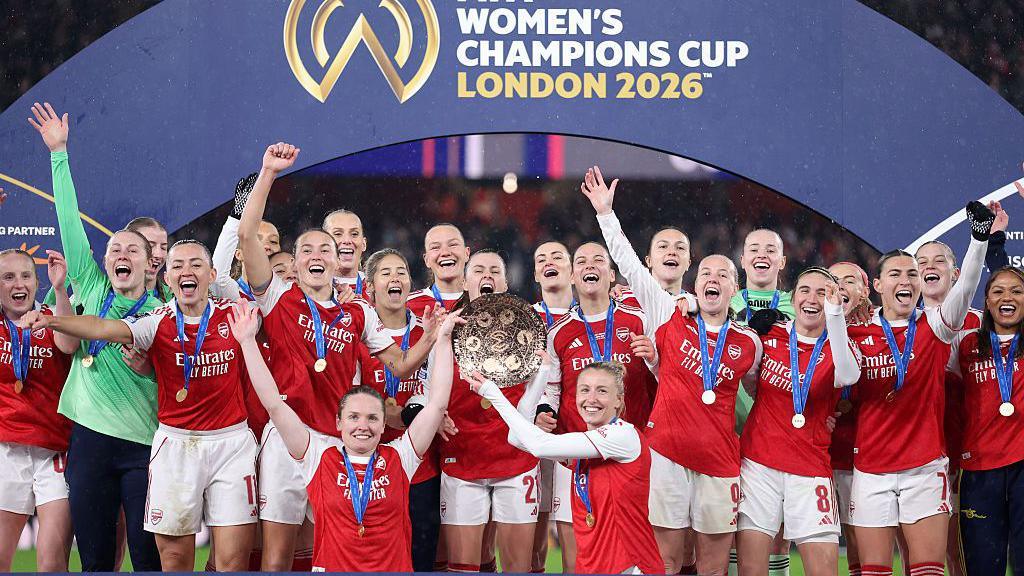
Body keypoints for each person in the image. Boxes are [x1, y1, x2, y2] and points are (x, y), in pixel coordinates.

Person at [237, 142, 441, 570]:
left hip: (336, 443)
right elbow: (245, 234)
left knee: (326, 551)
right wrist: (268, 172)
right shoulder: (277, 297)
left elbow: (401, 366)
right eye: (307, 250)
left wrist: (431, 338)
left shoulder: (358, 310)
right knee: (276, 556)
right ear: (294, 261)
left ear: (338, 261)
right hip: (289, 437)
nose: (316, 255)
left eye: (325, 250)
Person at [20, 240, 260, 571]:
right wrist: (53, 322)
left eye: (195, 265)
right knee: (173, 560)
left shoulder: (237, 315)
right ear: (167, 277)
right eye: (177, 266)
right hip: (175, 445)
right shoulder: (156, 320)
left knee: (232, 562)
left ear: (212, 274)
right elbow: (103, 327)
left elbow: (269, 291)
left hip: (230, 443)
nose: (186, 271)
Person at [582, 166, 760, 575]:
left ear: (735, 288)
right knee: (666, 561)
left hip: (718, 454)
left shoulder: (748, 339)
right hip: (666, 448)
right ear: (696, 284)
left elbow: (767, 389)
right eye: (707, 275)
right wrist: (606, 214)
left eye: (724, 275)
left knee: (712, 565)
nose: (713, 280)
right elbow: (627, 262)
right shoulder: (666, 311)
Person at [28, 101, 163, 571]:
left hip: (146, 445)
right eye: (114, 249)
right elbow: (69, 219)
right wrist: (58, 154)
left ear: (151, 265)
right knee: (96, 562)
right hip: (88, 441)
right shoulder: (89, 283)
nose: (120, 254)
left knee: (148, 559)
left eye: (132, 250)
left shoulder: (162, 313)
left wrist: (152, 366)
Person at [233, 301, 457, 571]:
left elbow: (437, 405)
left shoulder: (400, 457)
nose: (363, 425)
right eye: (354, 417)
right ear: (338, 422)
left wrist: (442, 339)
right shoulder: (318, 456)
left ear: (385, 425)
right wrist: (246, 341)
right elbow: (274, 403)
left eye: (372, 418)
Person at [847, 201, 992, 576]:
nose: (907, 279)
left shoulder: (935, 327)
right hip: (871, 470)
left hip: (925, 469)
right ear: (877, 285)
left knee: (930, 569)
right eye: (895, 273)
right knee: (874, 571)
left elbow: (965, 290)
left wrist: (978, 241)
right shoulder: (855, 334)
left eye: (912, 273)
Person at [468, 361, 664, 574]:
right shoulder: (584, 445)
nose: (591, 399)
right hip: (592, 568)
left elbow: (539, 445)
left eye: (602, 391)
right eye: (584, 390)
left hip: (631, 567)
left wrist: (493, 394)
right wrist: (540, 377)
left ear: (619, 400)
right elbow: (517, 438)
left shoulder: (622, 435)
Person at [541, 241, 657, 573]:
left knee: (638, 548)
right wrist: (542, 413)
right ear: (573, 276)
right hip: (575, 455)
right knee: (576, 559)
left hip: (630, 456)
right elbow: (552, 388)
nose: (590, 265)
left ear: (611, 275)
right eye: (581, 261)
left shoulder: (639, 320)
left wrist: (654, 358)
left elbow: (665, 376)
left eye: (599, 260)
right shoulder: (558, 331)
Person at [737, 268, 861, 576]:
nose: (812, 298)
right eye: (805, 290)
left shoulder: (843, 347)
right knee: (751, 570)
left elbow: (847, 375)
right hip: (758, 465)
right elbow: (751, 383)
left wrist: (835, 317)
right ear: (794, 299)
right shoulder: (769, 335)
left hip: (810, 471)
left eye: (823, 292)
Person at [440, 249, 553, 573]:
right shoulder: (446, 329)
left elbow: (529, 407)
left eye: (494, 271)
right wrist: (435, 415)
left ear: (504, 282)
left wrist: (541, 375)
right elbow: (431, 388)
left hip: (514, 459)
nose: (486, 275)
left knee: (517, 568)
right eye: (478, 270)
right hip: (462, 456)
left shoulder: (528, 329)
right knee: (462, 568)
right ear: (465, 280)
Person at [357, 248, 443, 572]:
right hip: (372, 464)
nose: (395, 278)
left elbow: (437, 390)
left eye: (401, 272)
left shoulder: (427, 331)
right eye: (386, 273)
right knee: (375, 553)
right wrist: (397, 415)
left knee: (421, 554)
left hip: (422, 463)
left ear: (409, 283)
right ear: (370, 288)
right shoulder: (359, 335)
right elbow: (352, 395)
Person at [0, 250, 77, 572]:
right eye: (8, 277)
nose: (19, 283)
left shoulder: (51, 316)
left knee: (52, 562)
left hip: (54, 454)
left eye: (26, 276)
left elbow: (70, 345)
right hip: (6, 451)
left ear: (36, 281)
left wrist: (60, 289)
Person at [949, 266, 1024, 576]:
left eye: (1017, 291)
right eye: (998, 291)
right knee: (982, 567)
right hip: (979, 470)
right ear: (987, 303)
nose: (1007, 297)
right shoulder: (966, 345)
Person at [530, 240, 575, 572]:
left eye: (557, 256)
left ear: (572, 270)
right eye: (542, 259)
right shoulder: (525, 319)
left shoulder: (595, 310)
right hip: (537, 431)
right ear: (535, 273)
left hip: (577, 430)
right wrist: (537, 409)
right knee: (537, 521)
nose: (550, 262)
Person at [827, 261, 873, 576]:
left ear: (865, 290)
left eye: (849, 280)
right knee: (826, 536)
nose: (840, 286)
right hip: (822, 451)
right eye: (833, 281)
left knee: (862, 536)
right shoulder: (814, 327)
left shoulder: (881, 329)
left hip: (866, 451)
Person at [408, 224, 471, 317]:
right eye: (435, 247)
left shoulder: (488, 302)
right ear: (427, 260)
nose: (445, 252)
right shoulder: (407, 306)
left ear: (467, 253)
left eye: (453, 245)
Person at [323, 209, 369, 297]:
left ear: (363, 244)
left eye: (354, 234)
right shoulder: (306, 289)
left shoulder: (378, 288)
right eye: (338, 234)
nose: (347, 240)